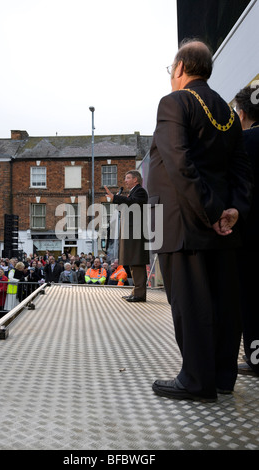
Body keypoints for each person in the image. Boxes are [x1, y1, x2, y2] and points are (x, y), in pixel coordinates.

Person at [147, 39, 253, 402]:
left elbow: (179, 163)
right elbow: (241, 170)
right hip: (223, 224)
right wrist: (232, 211)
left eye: (170, 70)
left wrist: (207, 213)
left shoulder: (173, 102)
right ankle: (223, 376)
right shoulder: (226, 110)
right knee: (224, 302)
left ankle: (196, 380)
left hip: (182, 223)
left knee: (190, 305)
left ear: (180, 68)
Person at [234, 85, 259, 376]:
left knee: (251, 300)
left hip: (251, 235)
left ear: (242, 113)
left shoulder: (244, 142)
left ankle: (255, 359)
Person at [105, 170, 149, 302]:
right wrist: (118, 202)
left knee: (137, 262)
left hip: (136, 233)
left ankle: (139, 294)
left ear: (136, 180)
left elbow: (133, 203)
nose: (125, 180)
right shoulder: (133, 192)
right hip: (131, 233)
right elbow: (128, 206)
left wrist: (117, 198)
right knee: (132, 262)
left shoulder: (140, 191)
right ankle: (136, 291)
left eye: (128, 178)